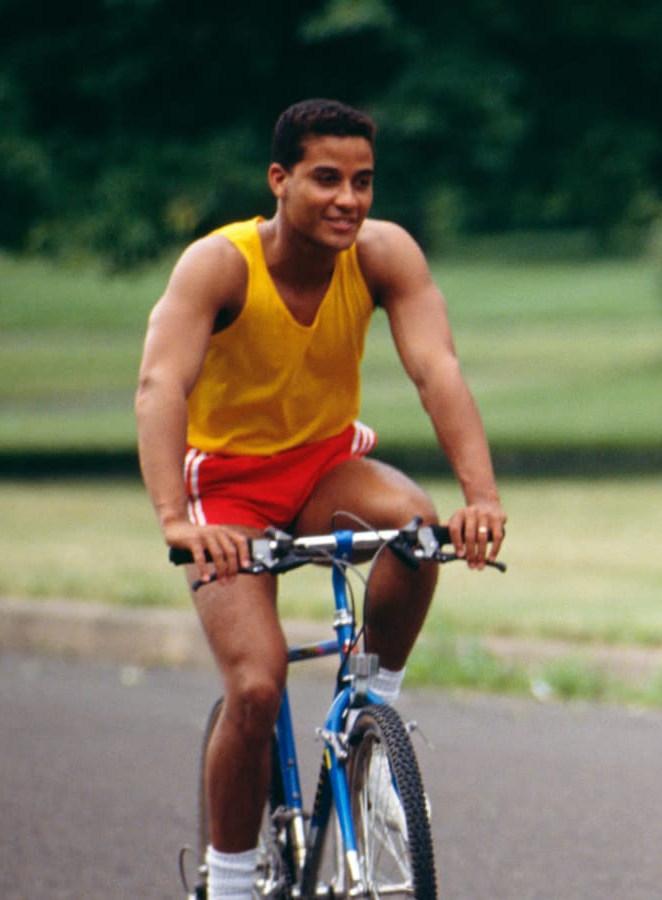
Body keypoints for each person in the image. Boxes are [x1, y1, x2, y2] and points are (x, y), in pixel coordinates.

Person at [134, 98, 506, 900]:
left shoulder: (383, 255)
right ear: (280, 180)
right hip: (227, 485)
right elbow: (162, 384)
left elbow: (436, 370)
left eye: (363, 182)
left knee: (416, 530)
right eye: (326, 179)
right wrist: (174, 517)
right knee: (258, 686)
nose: (348, 199)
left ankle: (374, 731)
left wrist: (480, 496)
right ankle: (232, 879)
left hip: (324, 464)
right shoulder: (220, 265)